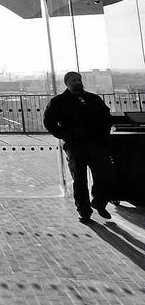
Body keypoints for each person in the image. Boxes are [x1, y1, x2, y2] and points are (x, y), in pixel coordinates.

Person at [43, 71, 114, 223]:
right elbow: (49, 121)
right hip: (75, 145)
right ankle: (84, 211)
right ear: (67, 83)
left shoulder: (93, 99)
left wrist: (103, 134)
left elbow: (106, 117)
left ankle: (99, 203)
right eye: (73, 80)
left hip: (95, 144)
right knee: (79, 179)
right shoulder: (58, 102)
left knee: (102, 175)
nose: (77, 82)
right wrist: (65, 135)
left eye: (78, 80)